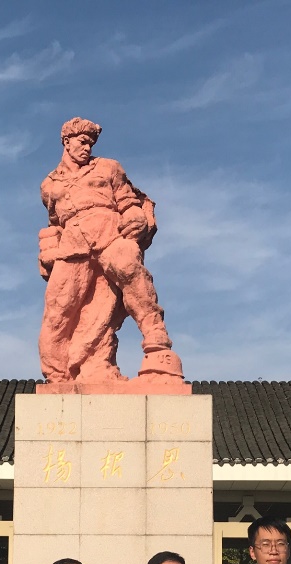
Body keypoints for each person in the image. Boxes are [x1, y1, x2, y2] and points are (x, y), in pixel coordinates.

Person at [37, 116, 183, 384]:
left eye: (91, 144)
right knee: (58, 307)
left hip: (110, 233)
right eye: (83, 142)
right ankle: (60, 374)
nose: (87, 148)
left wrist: (136, 217)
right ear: (67, 142)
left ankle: (156, 337)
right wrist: (47, 248)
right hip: (72, 245)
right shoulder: (49, 185)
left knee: (128, 268)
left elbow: (129, 202)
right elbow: (55, 223)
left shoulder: (108, 167)